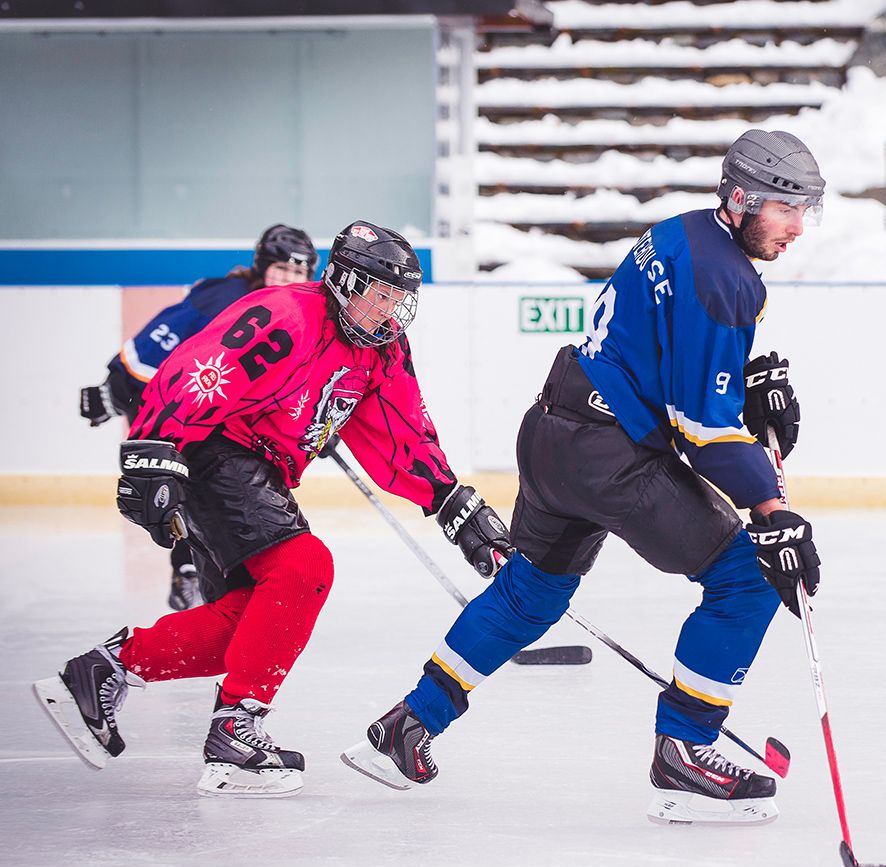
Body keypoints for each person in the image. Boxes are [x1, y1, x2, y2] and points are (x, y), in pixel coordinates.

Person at [341, 130, 825, 826]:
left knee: (531, 594)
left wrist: (745, 384)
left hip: (554, 430)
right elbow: (702, 428)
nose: (797, 226)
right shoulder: (728, 280)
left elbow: (662, 349)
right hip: (612, 454)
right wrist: (770, 509)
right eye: (785, 208)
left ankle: (409, 722)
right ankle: (685, 749)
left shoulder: (681, 233)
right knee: (748, 577)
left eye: (805, 209)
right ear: (743, 197)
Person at [34, 221, 515, 799]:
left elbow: (401, 433)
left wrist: (451, 502)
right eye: (380, 292)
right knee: (303, 569)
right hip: (213, 450)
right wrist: (152, 453)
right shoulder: (285, 315)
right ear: (343, 281)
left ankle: (102, 671)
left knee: (248, 620)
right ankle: (235, 734)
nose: (390, 309)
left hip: (260, 472)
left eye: (398, 298)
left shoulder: (381, 348)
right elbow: (196, 371)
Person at [78, 224, 319, 610]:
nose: (289, 279)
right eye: (281, 269)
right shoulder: (224, 296)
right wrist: (114, 386)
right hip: (188, 413)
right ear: (262, 267)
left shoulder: (301, 313)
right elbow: (158, 340)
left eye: (298, 272)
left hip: (228, 421)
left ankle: (202, 576)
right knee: (192, 489)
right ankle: (190, 573)